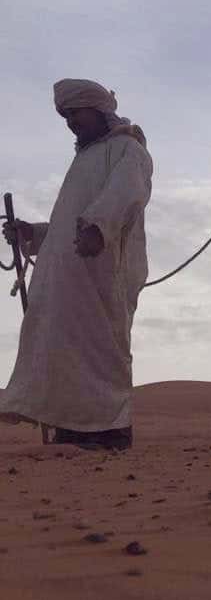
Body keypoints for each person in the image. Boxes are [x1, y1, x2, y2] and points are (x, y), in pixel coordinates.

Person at [0, 79, 153, 450]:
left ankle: (110, 430)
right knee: (65, 349)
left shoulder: (128, 149)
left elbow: (127, 193)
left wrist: (98, 228)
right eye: (65, 116)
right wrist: (32, 233)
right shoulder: (84, 159)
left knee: (103, 348)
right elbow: (68, 222)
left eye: (75, 113)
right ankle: (72, 426)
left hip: (103, 270)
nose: (70, 122)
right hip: (67, 276)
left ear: (98, 110)